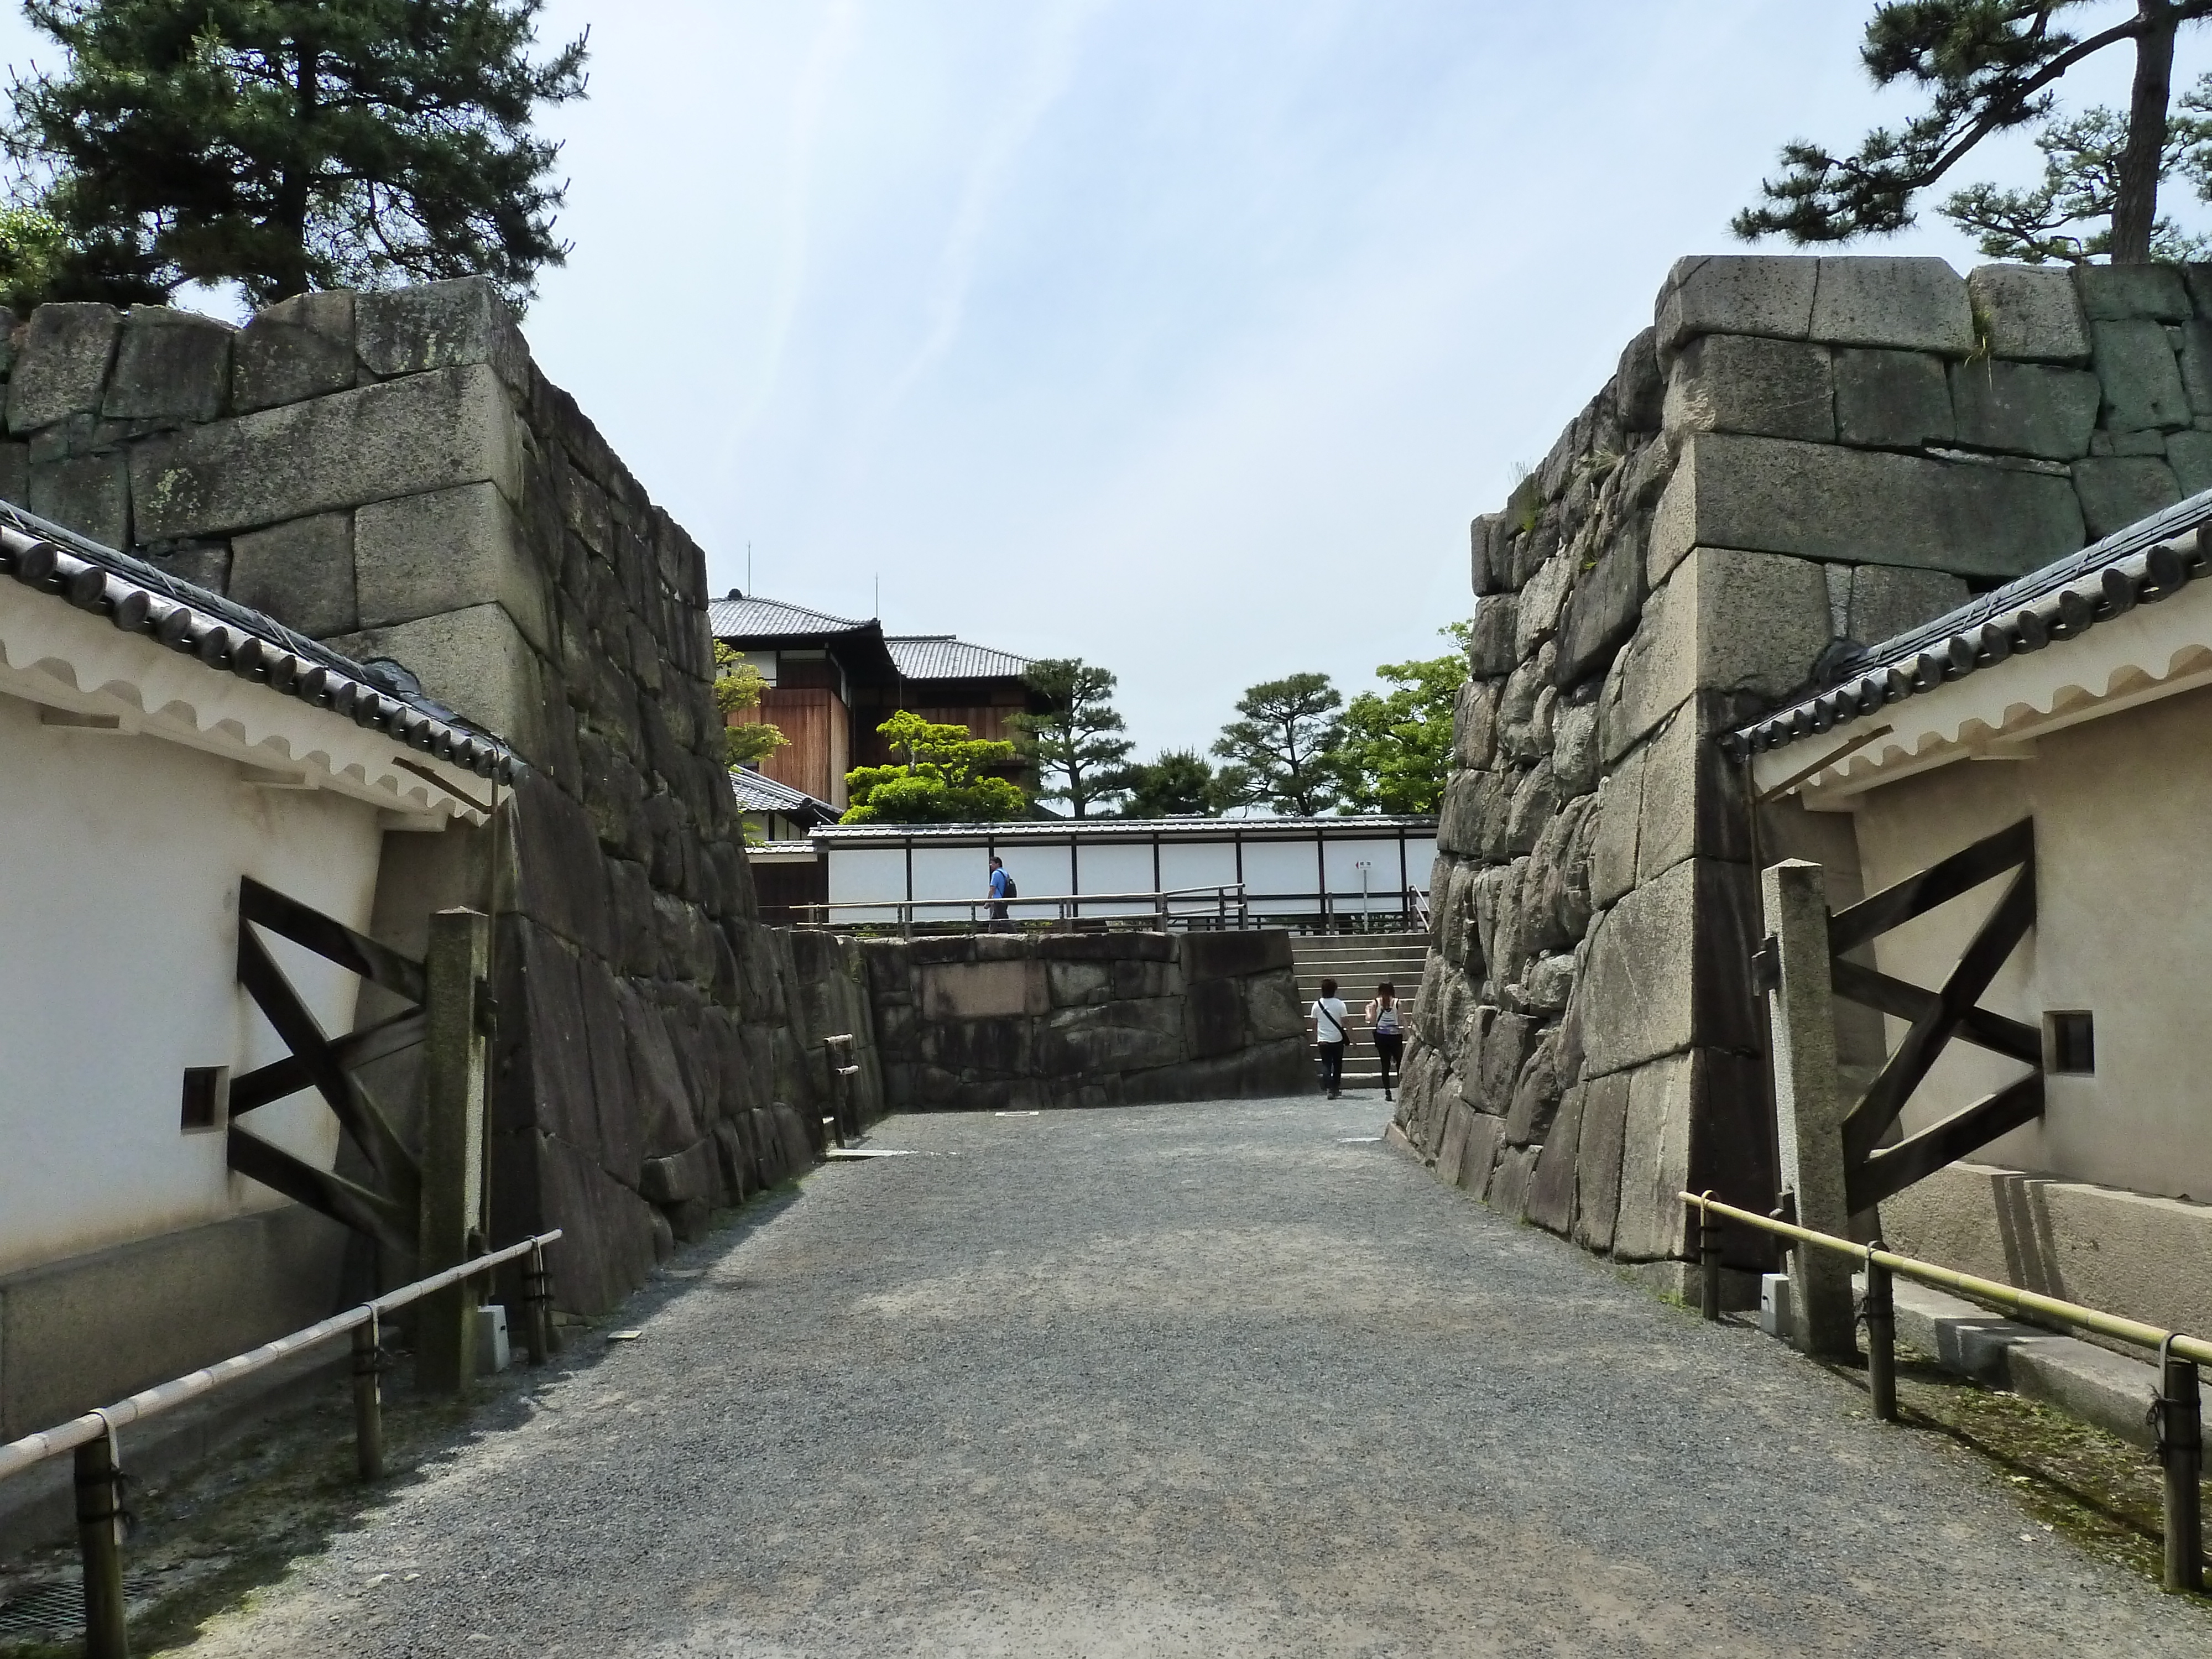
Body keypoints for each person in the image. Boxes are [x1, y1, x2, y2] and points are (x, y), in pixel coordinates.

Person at [1310, 976, 1349, 1099]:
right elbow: (1346, 1022)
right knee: (1338, 1064)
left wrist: (1315, 1037)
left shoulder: (1317, 1005)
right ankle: (1336, 1087)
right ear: (1335, 990)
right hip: (1337, 1039)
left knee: (1326, 1065)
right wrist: (1353, 1039)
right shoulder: (1340, 1004)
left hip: (1323, 1040)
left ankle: (1329, 1088)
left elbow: (1314, 1024)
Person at [1366, 982, 1404, 1103]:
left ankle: (1387, 1091)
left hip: (1382, 1036)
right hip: (1395, 1035)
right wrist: (1409, 1034)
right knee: (1400, 1063)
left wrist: (1367, 1011)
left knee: (1385, 1064)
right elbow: (1402, 1019)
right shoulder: (1397, 1003)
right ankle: (1401, 1089)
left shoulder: (1375, 1003)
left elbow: (1370, 1020)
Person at [985, 855, 1011, 928]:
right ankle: (991, 934)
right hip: (1004, 898)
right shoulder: (1005, 873)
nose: (991, 865)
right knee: (995, 919)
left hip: (998, 899)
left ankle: (1014, 934)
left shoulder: (996, 874)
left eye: (992, 863)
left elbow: (993, 888)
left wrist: (988, 901)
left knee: (1004, 920)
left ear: (998, 864)